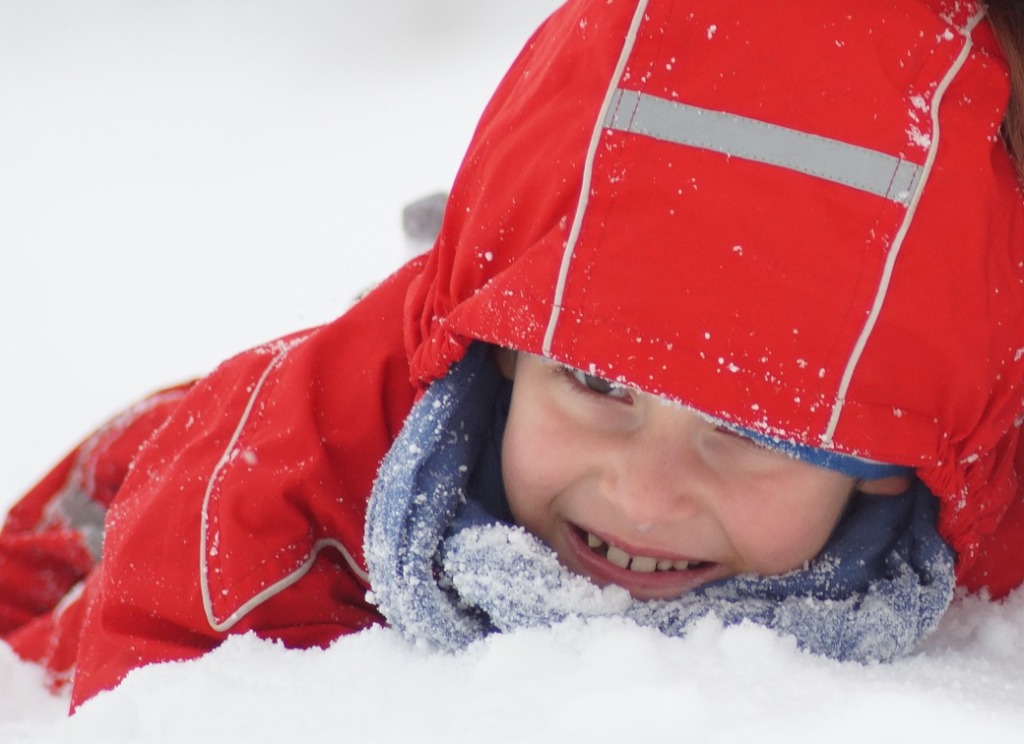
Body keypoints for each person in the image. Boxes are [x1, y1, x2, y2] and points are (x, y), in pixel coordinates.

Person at [2, 0, 1023, 712]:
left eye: (748, 432)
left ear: (896, 458)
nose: (646, 492)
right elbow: (155, 700)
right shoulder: (272, 484)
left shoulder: (978, 476)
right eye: (596, 385)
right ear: (499, 354)